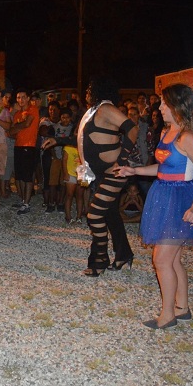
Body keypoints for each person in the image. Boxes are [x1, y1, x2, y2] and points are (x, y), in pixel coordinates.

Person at [116, 83, 193, 329]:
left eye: (165, 104)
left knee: (162, 260)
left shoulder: (188, 137)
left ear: (179, 107)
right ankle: (182, 308)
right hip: (164, 195)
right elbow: (163, 168)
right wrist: (134, 170)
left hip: (181, 201)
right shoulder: (167, 133)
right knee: (173, 260)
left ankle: (167, 316)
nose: (161, 107)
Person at [44, 77, 138, 275]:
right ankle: (124, 255)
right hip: (101, 172)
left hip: (115, 172)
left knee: (94, 213)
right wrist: (58, 140)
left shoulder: (106, 109)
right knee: (110, 214)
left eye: (89, 88)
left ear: (98, 90)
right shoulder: (92, 112)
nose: (86, 92)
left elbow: (132, 129)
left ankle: (100, 260)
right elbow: (81, 138)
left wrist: (121, 160)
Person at [9, 89, 40, 215]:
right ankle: (23, 200)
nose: (20, 100)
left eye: (23, 97)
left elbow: (27, 124)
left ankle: (27, 203)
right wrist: (16, 124)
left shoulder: (33, 109)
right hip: (18, 145)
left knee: (27, 176)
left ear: (28, 98)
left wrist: (16, 127)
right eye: (18, 97)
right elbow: (10, 131)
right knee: (19, 175)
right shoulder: (17, 113)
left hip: (30, 146)